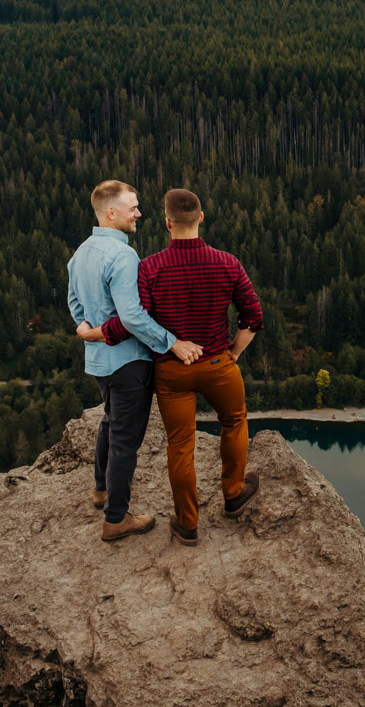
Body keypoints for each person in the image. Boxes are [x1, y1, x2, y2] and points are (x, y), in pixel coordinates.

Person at [82, 188, 263, 546]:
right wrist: (233, 353)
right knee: (234, 421)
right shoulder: (227, 262)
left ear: (167, 223)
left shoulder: (149, 267)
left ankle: (188, 523)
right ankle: (234, 493)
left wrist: (95, 333)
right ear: (201, 218)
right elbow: (253, 316)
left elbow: (133, 320)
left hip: (172, 371)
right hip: (217, 364)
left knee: (180, 444)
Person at [66, 180, 203, 542]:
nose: (139, 213)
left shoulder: (80, 252)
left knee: (110, 423)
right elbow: (133, 317)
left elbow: (74, 303)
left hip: (98, 362)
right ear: (111, 213)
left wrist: (86, 329)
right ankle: (116, 518)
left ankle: (100, 490)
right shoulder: (123, 256)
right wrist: (173, 343)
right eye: (133, 207)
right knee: (126, 439)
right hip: (128, 363)